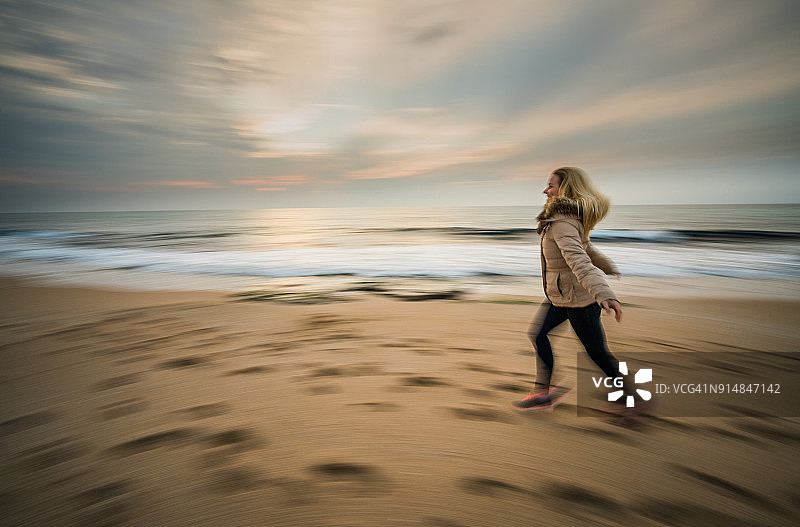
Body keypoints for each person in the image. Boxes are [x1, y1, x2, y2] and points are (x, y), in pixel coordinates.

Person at [514, 167, 624, 410]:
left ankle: (631, 397)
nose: (545, 190)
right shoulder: (561, 219)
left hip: (580, 300)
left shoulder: (563, 222)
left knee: (597, 353)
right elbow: (586, 248)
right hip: (561, 295)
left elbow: (578, 259)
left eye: (551, 185)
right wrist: (608, 266)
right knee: (539, 335)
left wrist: (604, 292)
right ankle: (544, 393)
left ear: (566, 189)